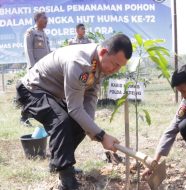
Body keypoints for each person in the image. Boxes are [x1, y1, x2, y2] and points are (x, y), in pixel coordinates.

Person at [16, 34, 133, 189]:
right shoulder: (79, 63)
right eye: (115, 64)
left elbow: (91, 95)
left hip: (53, 93)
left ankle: (58, 163)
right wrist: (102, 135)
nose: (115, 70)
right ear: (104, 52)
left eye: (120, 67)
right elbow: (75, 108)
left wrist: (91, 129)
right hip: (33, 89)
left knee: (81, 124)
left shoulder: (100, 63)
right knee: (61, 121)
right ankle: (66, 177)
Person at [21, 11, 50, 126]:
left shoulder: (44, 34)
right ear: (37, 19)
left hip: (45, 70)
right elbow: (28, 51)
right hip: (35, 70)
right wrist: (32, 67)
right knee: (31, 93)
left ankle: (43, 117)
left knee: (44, 94)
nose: (47, 20)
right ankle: (24, 117)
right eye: (44, 18)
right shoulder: (30, 32)